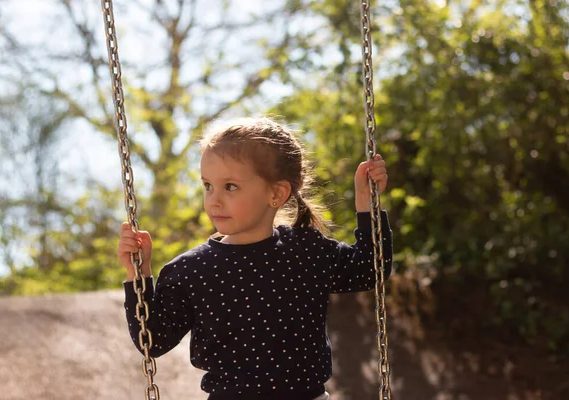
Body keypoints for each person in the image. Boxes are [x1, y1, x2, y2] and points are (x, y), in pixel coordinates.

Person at [118, 117, 393, 400]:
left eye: (230, 187)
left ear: (276, 193)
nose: (214, 200)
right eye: (208, 186)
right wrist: (139, 274)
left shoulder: (305, 251)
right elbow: (153, 340)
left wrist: (366, 202)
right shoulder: (191, 270)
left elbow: (369, 269)